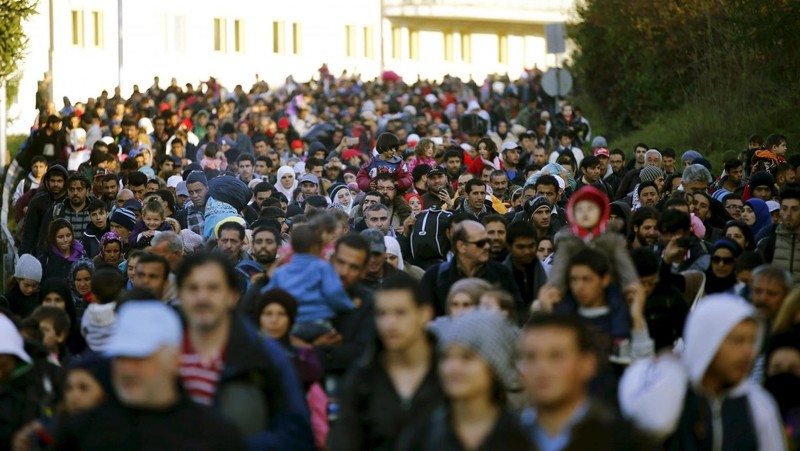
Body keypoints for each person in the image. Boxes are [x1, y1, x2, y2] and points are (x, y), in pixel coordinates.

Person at [55, 302, 245, 450]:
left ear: (174, 359)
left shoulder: (215, 436)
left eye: (140, 358)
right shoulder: (82, 433)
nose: (127, 370)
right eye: (121, 358)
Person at [176, 253, 315, 449]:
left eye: (213, 288)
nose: (202, 297)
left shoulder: (263, 353)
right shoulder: (162, 354)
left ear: (232, 297)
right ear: (180, 295)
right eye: (193, 288)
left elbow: (296, 432)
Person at [619, 294, 785, 450]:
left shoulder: (757, 405)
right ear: (708, 341)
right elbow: (652, 421)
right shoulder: (672, 392)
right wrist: (671, 370)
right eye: (738, 341)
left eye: (752, 341)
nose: (749, 352)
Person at [327, 273, 444, 451]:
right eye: (382, 314)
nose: (389, 323)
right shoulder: (362, 379)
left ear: (424, 314)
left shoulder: (450, 372)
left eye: (400, 312)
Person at [396, 311, 529, 450]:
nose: (452, 368)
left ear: (495, 366)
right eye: (446, 357)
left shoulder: (520, 436)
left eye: (466, 358)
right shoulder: (422, 436)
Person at [519, 313, 651, 450]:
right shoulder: (505, 438)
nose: (542, 369)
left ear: (587, 364)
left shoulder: (626, 442)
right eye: (530, 357)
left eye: (556, 356)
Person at [264, 224, 354, 342]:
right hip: (319, 323)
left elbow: (266, 295)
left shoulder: (281, 272)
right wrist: (349, 305)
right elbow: (334, 293)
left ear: (292, 248)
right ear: (317, 247)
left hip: (292, 325)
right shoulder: (322, 267)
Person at [421, 220, 523, 318]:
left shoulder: (501, 272)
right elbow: (425, 316)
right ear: (461, 246)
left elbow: (516, 311)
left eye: (487, 241)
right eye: (480, 243)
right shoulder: (435, 275)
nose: (487, 246)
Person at [20, 164, 68, 256]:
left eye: (59, 181)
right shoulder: (37, 202)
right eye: (53, 181)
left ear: (65, 182)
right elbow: (29, 233)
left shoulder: (68, 202)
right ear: (47, 181)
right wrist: (24, 255)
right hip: (40, 252)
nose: (56, 184)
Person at [504, 221, 548, 317]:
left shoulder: (547, 272)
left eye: (531, 246)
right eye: (521, 247)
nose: (527, 251)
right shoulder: (500, 276)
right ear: (509, 246)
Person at [81, 267, 124, 353]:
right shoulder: (123, 312)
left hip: (92, 355)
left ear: (93, 295)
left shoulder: (88, 312)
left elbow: (84, 331)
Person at [0, 254, 42, 318]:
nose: (30, 289)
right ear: (18, 280)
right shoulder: (7, 301)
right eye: (26, 285)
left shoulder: (40, 299)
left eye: (34, 286)